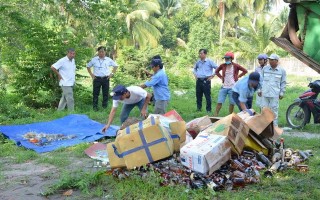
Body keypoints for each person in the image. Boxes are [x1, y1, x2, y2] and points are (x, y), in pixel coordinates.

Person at [214, 52, 248, 116]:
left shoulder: (236, 66)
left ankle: (230, 115)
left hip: (232, 87)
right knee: (219, 102)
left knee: (232, 103)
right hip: (224, 87)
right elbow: (216, 71)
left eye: (227, 58)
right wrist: (221, 77)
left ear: (231, 59)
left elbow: (245, 71)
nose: (226, 60)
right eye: (225, 59)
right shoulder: (223, 65)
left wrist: (238, 76)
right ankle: (215, 115)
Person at [258, 54, 287, 126]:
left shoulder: (282, 70)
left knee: (274, 111)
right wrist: (259, 89)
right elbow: (261, 80)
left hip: (275, 94)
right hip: (264, 93)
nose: (270, 61)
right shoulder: (265, 68)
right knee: (264, 110)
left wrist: (282, 93)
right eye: (269, 60)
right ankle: (264, 127)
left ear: (276, 61)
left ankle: (274, 128)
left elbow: (283, 82)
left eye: (272, 60)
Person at [87, 46, 118, 111]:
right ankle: (95, 107)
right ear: (98, 52)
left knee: (105, 93)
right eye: (100, 52)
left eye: (103, 51)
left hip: (105, 79)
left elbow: (115, 66)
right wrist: (91, 75)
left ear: (105, 52)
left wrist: (111, 74)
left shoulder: (108, 59)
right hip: (96, 79)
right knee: (95, 93)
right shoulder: (94, 59)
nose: (101, 53)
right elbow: (88, 66)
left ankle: (104, 106)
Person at [193, 49, 217, 113]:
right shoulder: (198, 62)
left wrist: (213, 75)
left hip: (206, 80)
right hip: (199, 80)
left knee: (207, 96)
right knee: (198, 95)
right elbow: (194, 68)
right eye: (199, 53)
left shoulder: (209, 61)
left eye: (201, 53)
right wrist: (195, 74)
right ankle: (199, 109)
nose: (200, 55)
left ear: (205, 54)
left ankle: (208, 110)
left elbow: (217, 68)